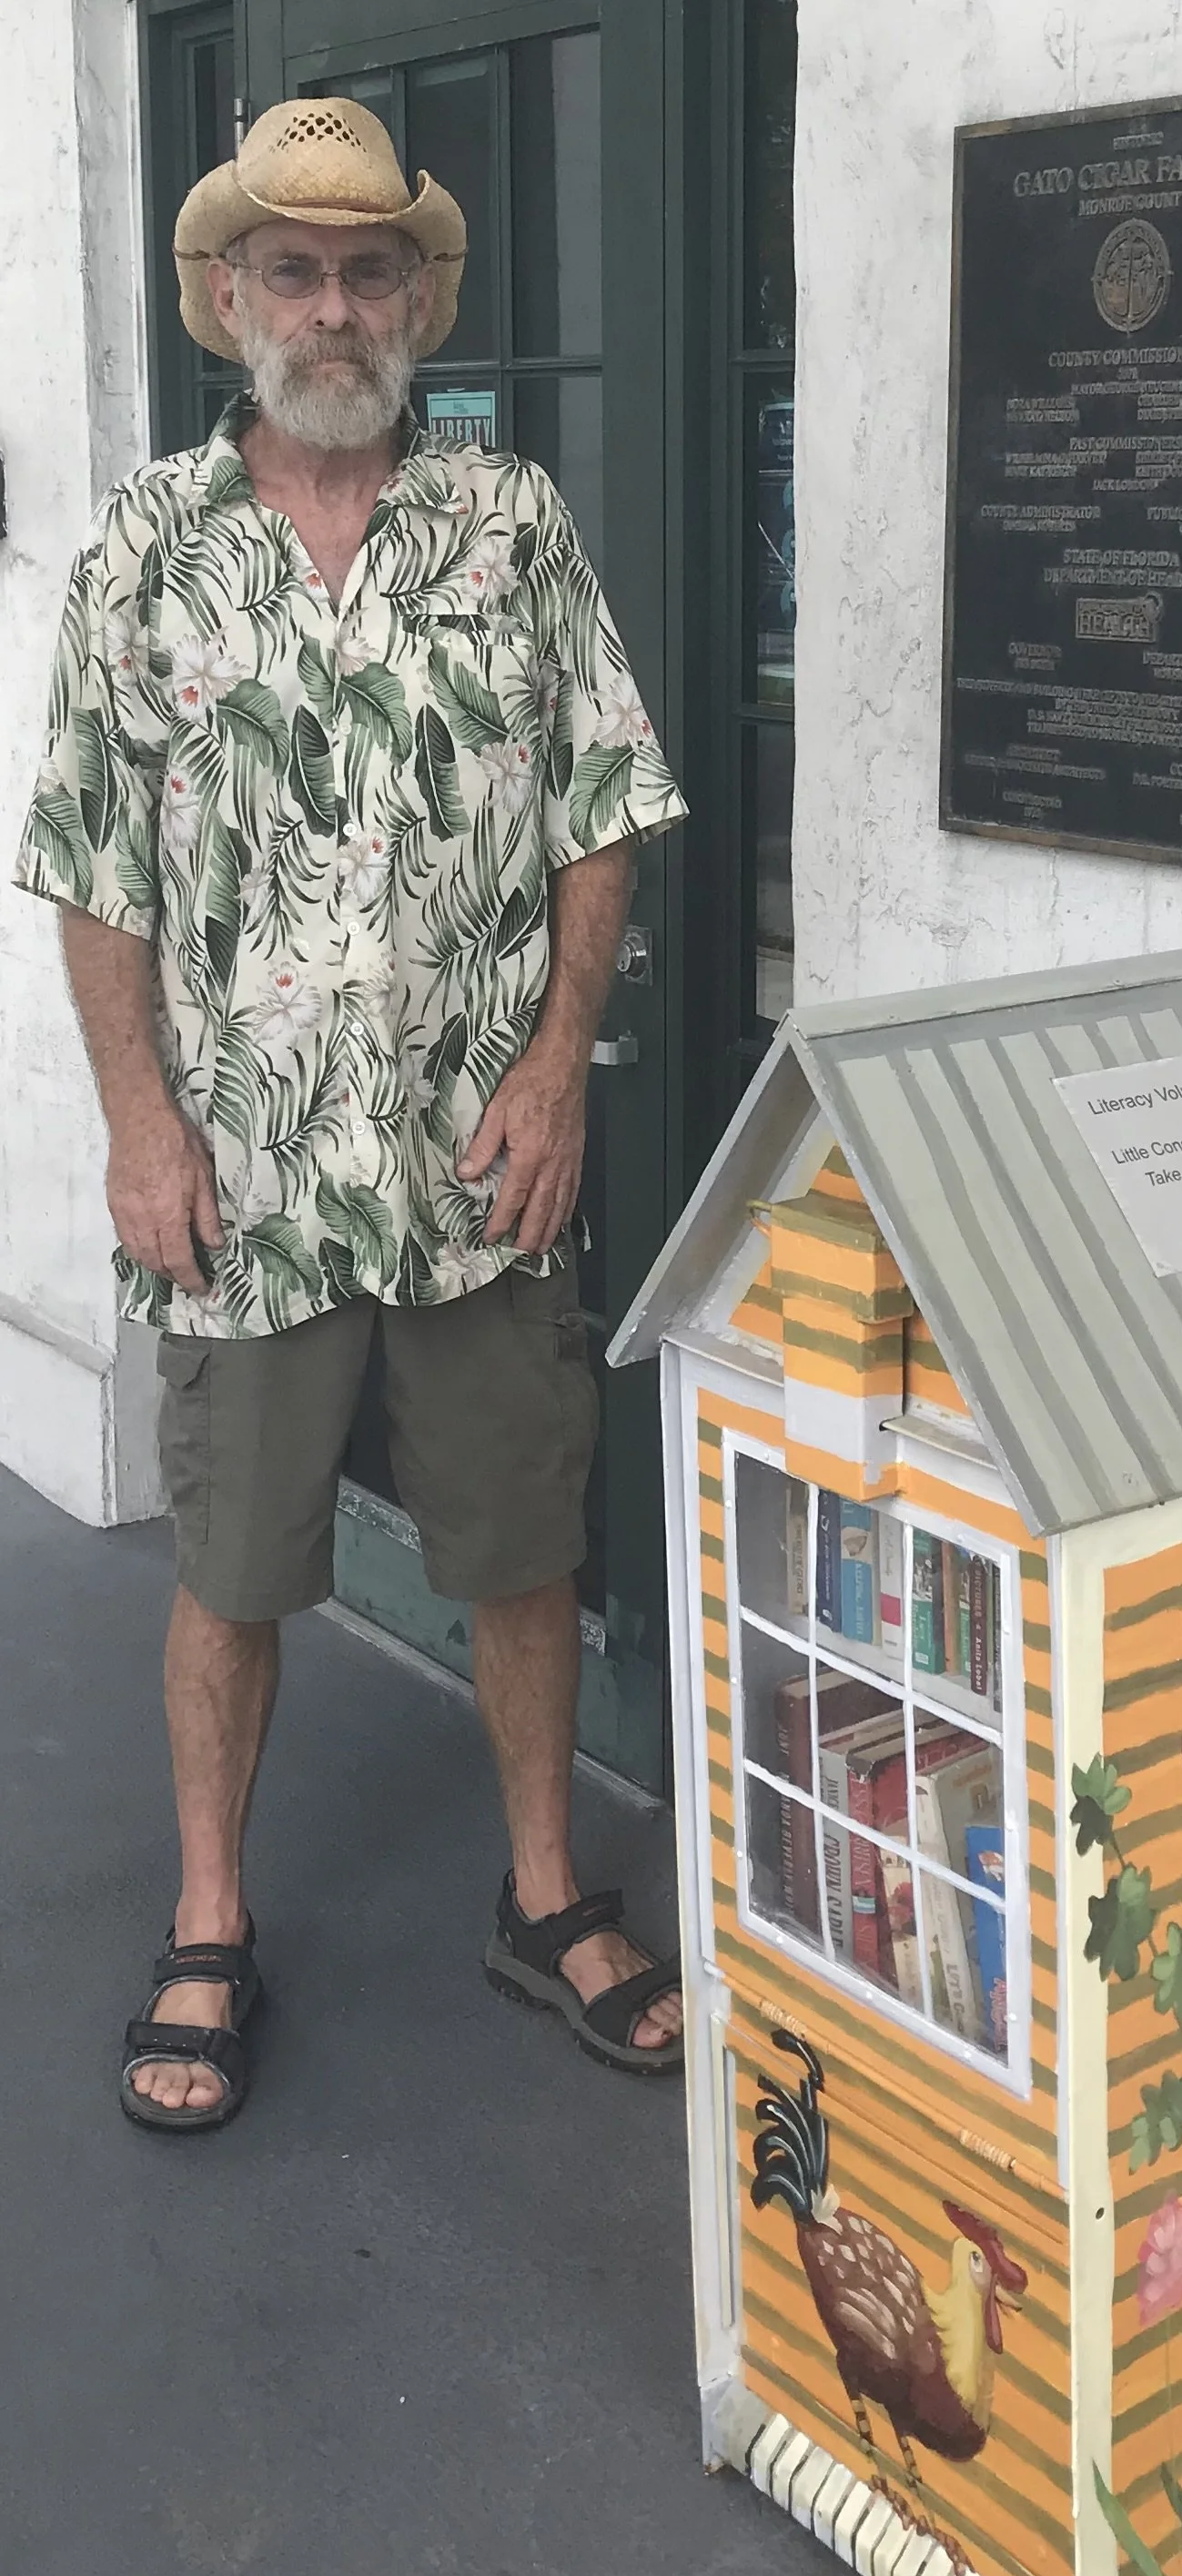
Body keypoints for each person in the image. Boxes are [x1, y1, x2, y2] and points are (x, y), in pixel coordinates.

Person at [15, 99, 689, 2130]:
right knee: (229, 1563)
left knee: (516, 1537)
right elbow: (94, 865)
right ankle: (211, 1917)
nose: (332, 303)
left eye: (367, 267)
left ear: (417, 296)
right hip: (245, 1174)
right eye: (292, 269)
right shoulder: (145, 549)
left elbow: (601, 813)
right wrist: (141, 1130)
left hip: (484, 1164)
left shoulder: (511, 526)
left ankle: (545, 1890)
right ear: (229, 298)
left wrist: (561, 1059)